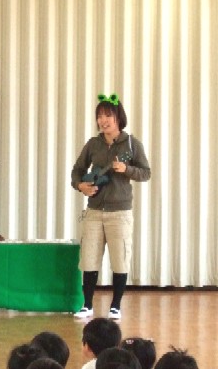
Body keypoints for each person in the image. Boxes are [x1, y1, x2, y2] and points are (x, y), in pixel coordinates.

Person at [71, 93, 151, 320]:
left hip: (120, 213)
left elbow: (146, 173)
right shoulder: (93, 144)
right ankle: (87, 305)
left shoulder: (132, 144)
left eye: (108, 116)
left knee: (120, 259)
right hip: (94, 211)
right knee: (89, 258)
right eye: (100, 116)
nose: (103, 120)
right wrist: (81, 186)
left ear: (118, 117)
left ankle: (116, 306)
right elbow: (77, 170)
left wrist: (127, 170)